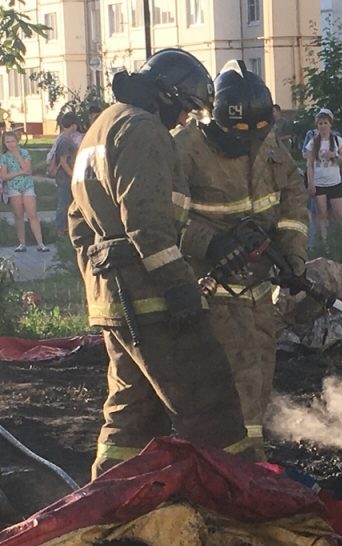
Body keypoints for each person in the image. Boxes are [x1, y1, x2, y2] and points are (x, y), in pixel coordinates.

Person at [68, 47, 249, 478]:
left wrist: (99, 282)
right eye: (185, 109)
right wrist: (179, 287)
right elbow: (147, 224)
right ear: (166, 95)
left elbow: (77, 223)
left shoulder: (102, 126)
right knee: (208, 400)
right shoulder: (143, 129)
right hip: (152, 301)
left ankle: (112, 498)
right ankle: (241, 493)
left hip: (114, 300)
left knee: (133, 410)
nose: (185, 120)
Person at [174, 61, 309, 459]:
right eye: (238, 137)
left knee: (259, 376)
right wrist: (210, 244)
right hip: (209, 288)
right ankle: (235, 465)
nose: (248, 145)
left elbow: (292, 200)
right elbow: (159, 219)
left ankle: (248, 460)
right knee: (230, 379)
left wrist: (292, 255)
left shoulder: (269, 146)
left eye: (258, 134)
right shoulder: (185, 149)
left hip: (258, 288)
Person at [0, 131, 47, 253]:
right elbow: (4, 176)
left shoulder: (24, 153)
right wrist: (19, 173)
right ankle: (22, 243)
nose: (11, 144)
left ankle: (40, 243)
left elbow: (28, 169)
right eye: (8, 142)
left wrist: (18, 155)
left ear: (17, 141)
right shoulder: (4, 157)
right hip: (14, 187)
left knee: (32, 214)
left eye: (13, 141)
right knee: (18, 215)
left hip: (27, 185)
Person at [304, 107, 342, 240]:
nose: (323, 126)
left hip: (334, 182)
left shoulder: (337, 140)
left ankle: (340, 240)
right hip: (319, 182)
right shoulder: (313, 142)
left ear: (330, 124)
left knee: (339, 214)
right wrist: (311, 183)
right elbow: (309, 164)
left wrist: (334, 155)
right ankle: (324, 242)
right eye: (320, 123)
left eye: (325, 123)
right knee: (321, 214)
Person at [49, 112, 80, 234]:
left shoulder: (62, 138)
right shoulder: (65, 141)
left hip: (64, 176)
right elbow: (63, 162)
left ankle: (65, 226)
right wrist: (73, 175)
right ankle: (60, 227)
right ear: (73, 125)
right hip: (64, 176)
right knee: (64, 203)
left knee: (67, 201)